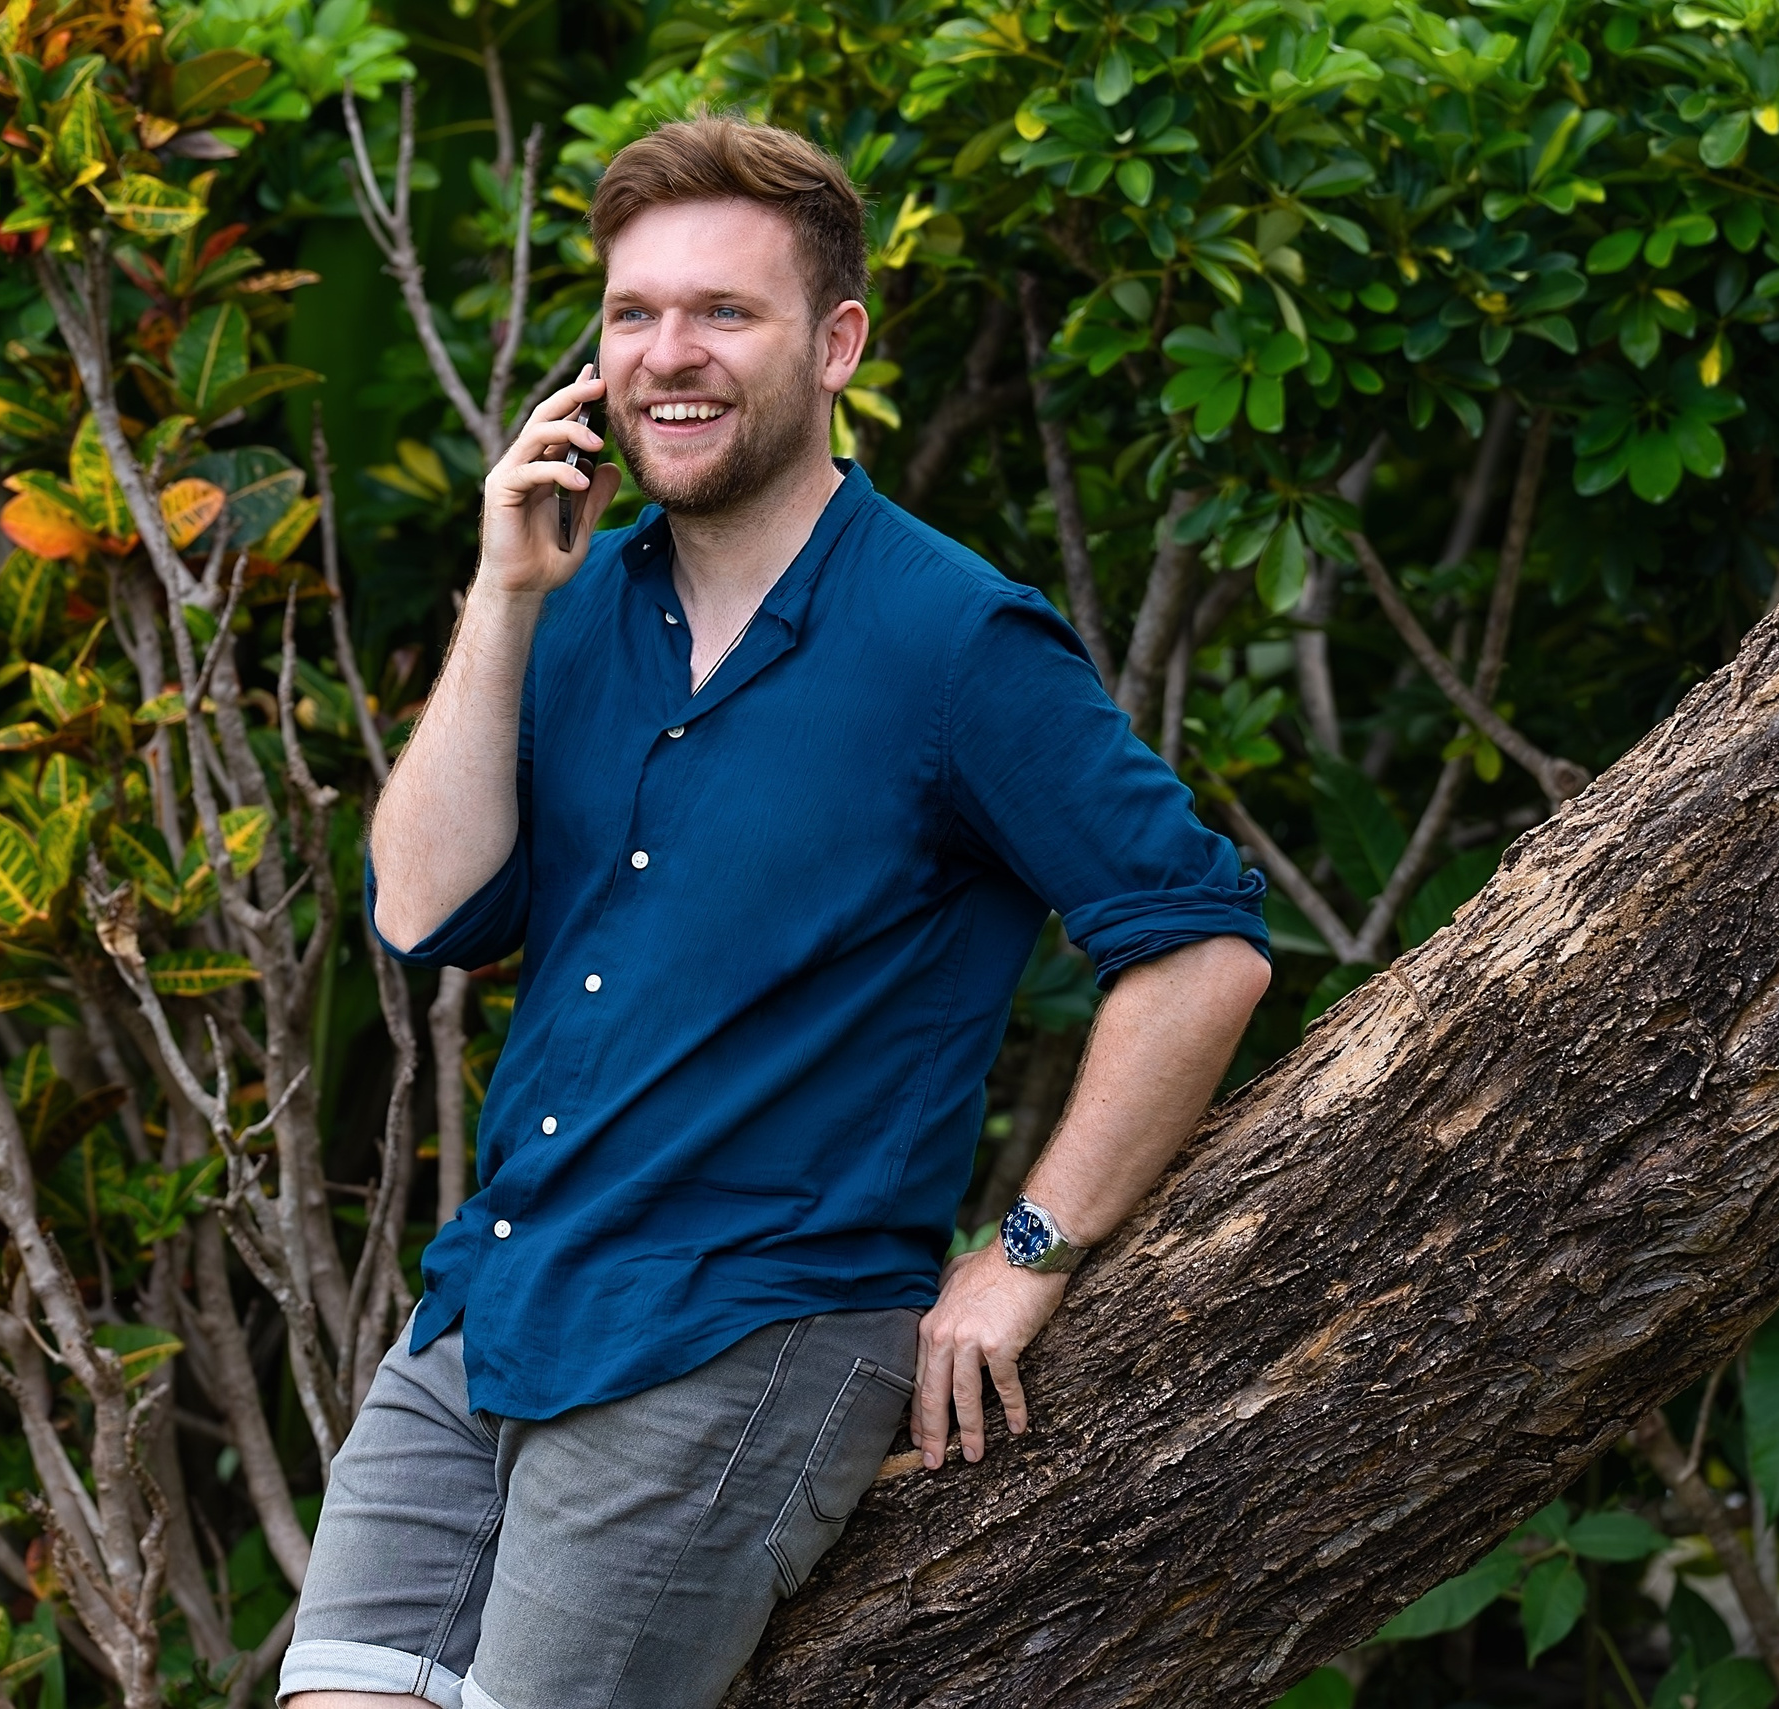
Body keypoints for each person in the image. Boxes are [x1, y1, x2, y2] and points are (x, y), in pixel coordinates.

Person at [278, 116, 1272, 1709]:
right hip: (498, 1306)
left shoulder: (954, 638)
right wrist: (503, 594)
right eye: (632, 315)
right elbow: (420, 908)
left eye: (723, 314)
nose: (668, 355)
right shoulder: (574, 604)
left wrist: (1027, 1252)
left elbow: (1200, 949)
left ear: (836, 342)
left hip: (743, 1331)